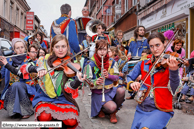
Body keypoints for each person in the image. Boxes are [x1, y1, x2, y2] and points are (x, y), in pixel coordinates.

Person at [21, 34, 86, 128]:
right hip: (45, 97)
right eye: (57, 47)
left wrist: (78, 81)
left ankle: (57, 121)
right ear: (52, 48)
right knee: (44, 116)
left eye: (63, 46)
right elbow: (25, 68)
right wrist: (37, 69)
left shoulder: (70, 64)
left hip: (63, 98)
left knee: (71, 121)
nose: (60, 50)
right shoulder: (43, 60)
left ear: (67, 47)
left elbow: (68, 87)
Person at [126, 32, 182, 129]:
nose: (155, 49)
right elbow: (129, 77)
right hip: (142, 108)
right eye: (151, 46)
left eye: (157, 45)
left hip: (161, 109)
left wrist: (173, 71)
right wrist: (132, 83)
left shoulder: (170, 64)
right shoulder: (143, 63)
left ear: (164, 43)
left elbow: (175, 89)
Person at [85, 39, 125, 123]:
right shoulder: (90, 63)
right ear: (96, 50)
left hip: (110, 90)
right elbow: (86, 82)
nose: (102, 52)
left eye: (104, 49)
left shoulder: (112, 62)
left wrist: (109, 76)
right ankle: (104, 109)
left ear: (107, 50)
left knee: (121, 91)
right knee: (112, 107)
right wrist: (96, 82)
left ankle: (113, 113)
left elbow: (117, 77)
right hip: (98, 93)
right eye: (100, 49)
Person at [0, 39, 38, 118]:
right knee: (14, 86)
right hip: (10, 90)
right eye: (17, 48)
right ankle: (14, 111)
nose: (20, 50)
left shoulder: (28, 61)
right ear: (14, 50)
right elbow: (1, 75)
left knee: (16, 85)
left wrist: (7, 65)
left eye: (22, 47)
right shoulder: (8, 60)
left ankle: (26, 111)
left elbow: (21, 74)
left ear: (25, 48)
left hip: (26, 89)